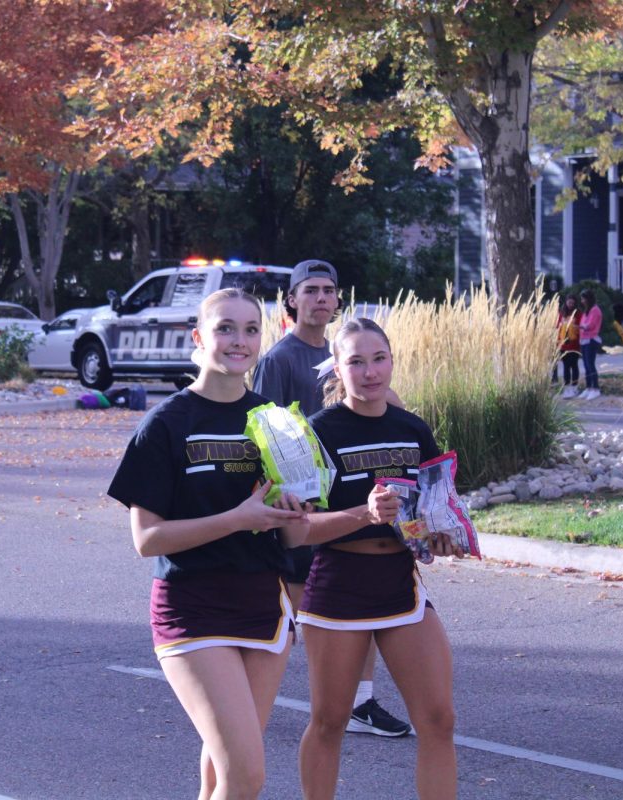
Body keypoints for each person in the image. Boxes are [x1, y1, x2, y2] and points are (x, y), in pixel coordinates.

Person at [108, 288, 307, 800]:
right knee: (247, 775)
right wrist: (236, 519)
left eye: (250, 329)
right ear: (198, 337)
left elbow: (294, 532)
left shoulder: (275, 420)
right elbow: (147, 539)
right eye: (224, 328)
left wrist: (316, 512)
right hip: (192, 609)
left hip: (263, 607)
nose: (238, 341)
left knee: (220, 775)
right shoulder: (166, 424)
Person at [279, 317, 460, 800]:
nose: (370, 371)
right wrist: (363, 514)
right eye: (355, 361)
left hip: (401, 583)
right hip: (338, 586)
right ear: (336, 368)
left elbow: (428, 511)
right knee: (330, 720)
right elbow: (296, 533)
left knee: (439, 720)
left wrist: (440, 538)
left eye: (379, 359)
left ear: (392, 361)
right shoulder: (315, 432)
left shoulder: (411, 428)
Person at [252, 259, 411, 739]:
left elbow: (383, 409)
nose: (322, 298)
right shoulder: (279, 359)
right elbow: (265, 429)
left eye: (329, 290)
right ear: (292, 300)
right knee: (315, 616)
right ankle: (280, 701)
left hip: (356, 507)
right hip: (308, 510)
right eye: (311, 290)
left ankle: (358, 702)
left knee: (358, 609)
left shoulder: (350, 350)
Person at [578, 289, 603, 400]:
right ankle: (588, 388)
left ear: (588, 298)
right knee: (586, 365)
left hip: (591, 340)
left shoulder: (595, 310)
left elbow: (590, 325)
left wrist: (581, 326)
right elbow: (582, 323)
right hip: (584, 340)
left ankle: (595, 388)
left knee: (590, 364)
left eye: (583, 298)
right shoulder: (586, 310)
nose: (582, 301)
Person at [556, 294, 583, 399]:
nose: (570, 304)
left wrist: (572, 325)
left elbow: (581, 326)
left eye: (572, 303)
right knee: (566, 367)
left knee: (574, 365)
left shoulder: (578, 314)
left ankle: (575, 387)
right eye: (569, 302)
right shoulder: (561, 313)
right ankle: (567, 387)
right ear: (566, 302)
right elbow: (557, 326)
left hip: (574, 344)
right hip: (563, 344)